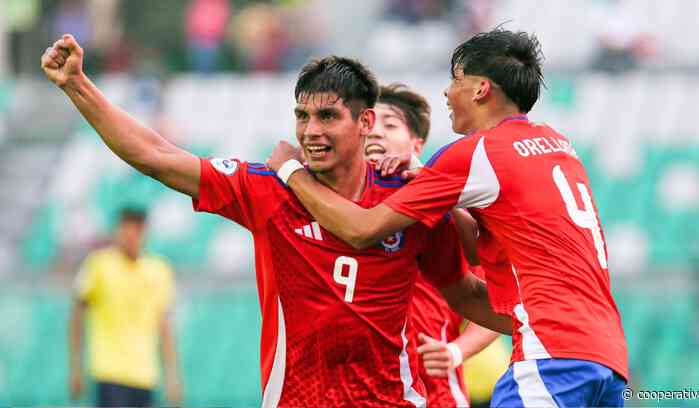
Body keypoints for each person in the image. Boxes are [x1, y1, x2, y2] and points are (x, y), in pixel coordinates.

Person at [42, 35, 510, 407]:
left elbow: (467, 292)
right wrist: (77, 85)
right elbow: (157, 156)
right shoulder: (267, 190)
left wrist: (548, 322)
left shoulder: (406, 203)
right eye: (302, 116)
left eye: (327, 116)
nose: (310, 131)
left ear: (365, 121)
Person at [267, 28, 629, 407]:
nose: (446, 92)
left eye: (455, 79)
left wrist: (292, 171)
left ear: (480, 90)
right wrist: (429, 182)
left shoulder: (474, 154)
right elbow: (484, 244)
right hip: (607, 355)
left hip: (552, 352)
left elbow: (362, 229)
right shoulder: (557, 144)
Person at [367, 83, 501, 407]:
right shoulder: (338, 210)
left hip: (434, 391)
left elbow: (499, 300)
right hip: (362, 389)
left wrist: (457, 350)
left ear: (416, 143)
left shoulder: (444, 213)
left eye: (390, 124)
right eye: (367, 124)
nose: (375, 133)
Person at [68, 207, 181, 407]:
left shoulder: (159, 270)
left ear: (144, 232)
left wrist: (172, 376)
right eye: (125, 230)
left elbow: (165, 326)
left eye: (136, 231)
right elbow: (77, 315)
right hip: (109, 372)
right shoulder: (99, 265)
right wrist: (75, 367)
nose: (130, 237)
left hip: (145, 375)